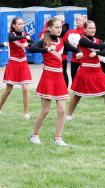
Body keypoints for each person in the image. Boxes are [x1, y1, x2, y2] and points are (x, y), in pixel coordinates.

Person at [28, 16, 83, 145]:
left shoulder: (62, 42)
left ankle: (58, 138)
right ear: (50, 28)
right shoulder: (44, 40)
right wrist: (46, 49)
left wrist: (79, 52)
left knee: (62, 110)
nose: (59, 30)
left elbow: (77, 48)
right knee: (45, 110)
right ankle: (34, 135)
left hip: (59, 78)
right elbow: (31, 49)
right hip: (48, 77)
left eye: (60, 27)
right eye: (56, 27)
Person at [66, 20, 105, 122]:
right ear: (84, 29)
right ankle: (69, 115)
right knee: (77, 94)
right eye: (90, 28)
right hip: (85, 70)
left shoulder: (98, 40)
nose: (93, 30)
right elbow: (96, 47)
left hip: (97, 70)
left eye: (94, 28)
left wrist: (97, 53)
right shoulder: (82, 40)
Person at [0, 17, 33, 119]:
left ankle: (26, 113)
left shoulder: (25, 34)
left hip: (23, 63)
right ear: (13, 25)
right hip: (13, 63)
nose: (21, 26)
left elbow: (35, 44)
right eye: (19, 24)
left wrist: (28, 43)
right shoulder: (12, 34)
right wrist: (25, 38)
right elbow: (11, 38)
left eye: (22, 24)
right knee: (8, 89)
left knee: (25, 89)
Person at [64, 14, 86, 82]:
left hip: (84, 56)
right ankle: (74, 87)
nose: (77, 21)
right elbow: (65, 40)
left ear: (83, 21)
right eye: (76, 20)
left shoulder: (86, 31)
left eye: (79, 20)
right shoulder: (72, 31)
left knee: (84, 74)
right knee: (73, 74)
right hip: (75, 56)